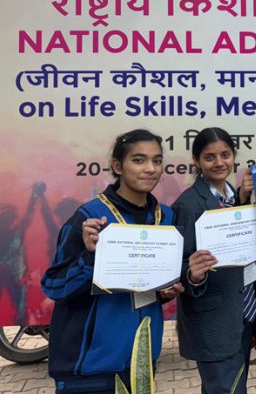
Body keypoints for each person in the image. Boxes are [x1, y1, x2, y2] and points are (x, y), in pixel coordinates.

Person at [41, 129, 184, 394]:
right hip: (90, 367)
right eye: (139, 160)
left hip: (141, 361)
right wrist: (90, 256)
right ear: (118, 166)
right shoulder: (90, 217)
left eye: (157, 160)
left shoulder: (165, 217)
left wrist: (164, 291)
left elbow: (146, 283)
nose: (151, 169)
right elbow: (53, 286)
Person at [171, 127, 256, 394]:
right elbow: (175, 265)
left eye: (225, 154)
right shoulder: (188, 205)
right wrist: (192, 275)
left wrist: (245, 200)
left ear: (234, 155)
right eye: (209, 157)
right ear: (197, 161)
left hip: (242, 315)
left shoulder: (232, 198)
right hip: (213, 321)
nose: (219, 162)